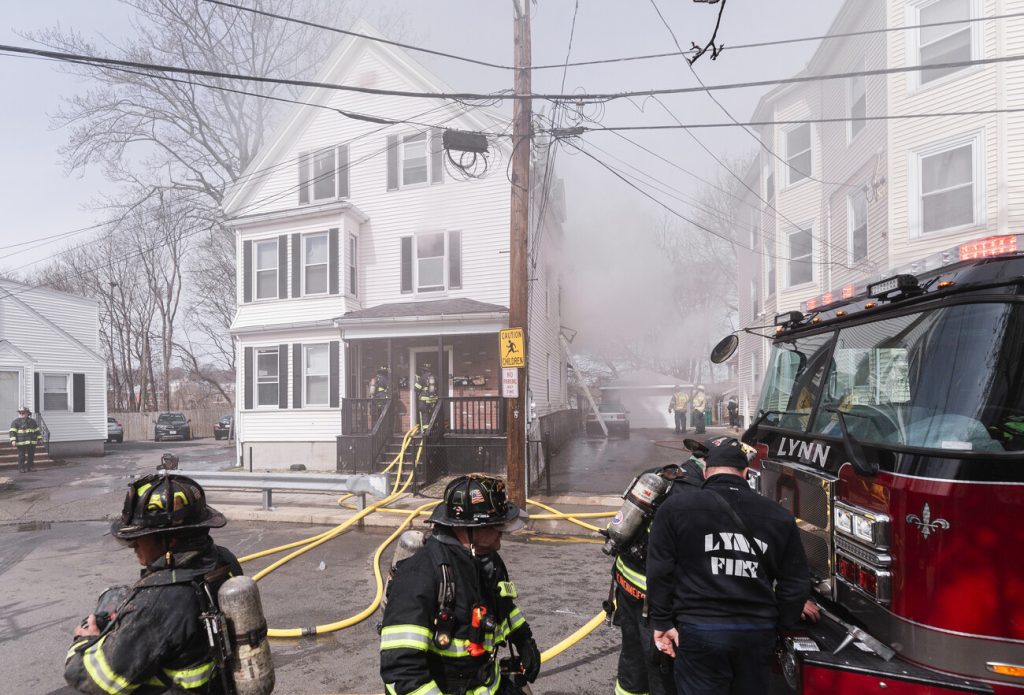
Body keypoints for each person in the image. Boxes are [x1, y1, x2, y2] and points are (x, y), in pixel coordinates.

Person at [646, 437, 817, 695]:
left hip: (699, 629)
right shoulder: (779, 516)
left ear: (705, 473)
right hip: (756, 632)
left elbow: (660, 571)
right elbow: (796, 582)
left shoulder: (674, 509)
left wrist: (662, 622)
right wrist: (780, 623)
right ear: (746, 473)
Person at [65, 473, 243, 695]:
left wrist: (84, 641)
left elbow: (95, 679)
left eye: (141, 536)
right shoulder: (223, 560)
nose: (133, 545)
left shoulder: (160, 601)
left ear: (172, 539)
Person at [380, 474, 540, 695]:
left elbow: (503, 606)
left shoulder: (487, 560)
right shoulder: (420, 575)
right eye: (496, 526)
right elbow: (403, 673)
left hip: (483, 682)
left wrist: (523, 639)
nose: (500, 536)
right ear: (467, 527)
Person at [610, 441, 708, 695]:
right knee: (660, 669)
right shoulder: (695, 494)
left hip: (624, 582)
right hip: (653, 597)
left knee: (632, 658)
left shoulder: (659, 474)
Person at [10, 405, 42, 473]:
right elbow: (12, 432)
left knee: (31, 456)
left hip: (31, 442)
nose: (21, 414)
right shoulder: (16, 422)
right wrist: (13, 440)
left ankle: (30, 467)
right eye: (20, 413)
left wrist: (39, 439)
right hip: (21, 442)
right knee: (21, 456)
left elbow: (37, 431)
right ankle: (21, 468)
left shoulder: (32, 421)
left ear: (27, 413)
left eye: (23, 412)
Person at [415, 363, 439, 430]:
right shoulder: (435, 377)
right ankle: (433, 428)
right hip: (433, 399)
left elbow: (416, 388)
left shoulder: (422, 377)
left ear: (424, 370)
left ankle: (425, 430)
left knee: (424, 414)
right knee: (432, 413)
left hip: (424, 399)